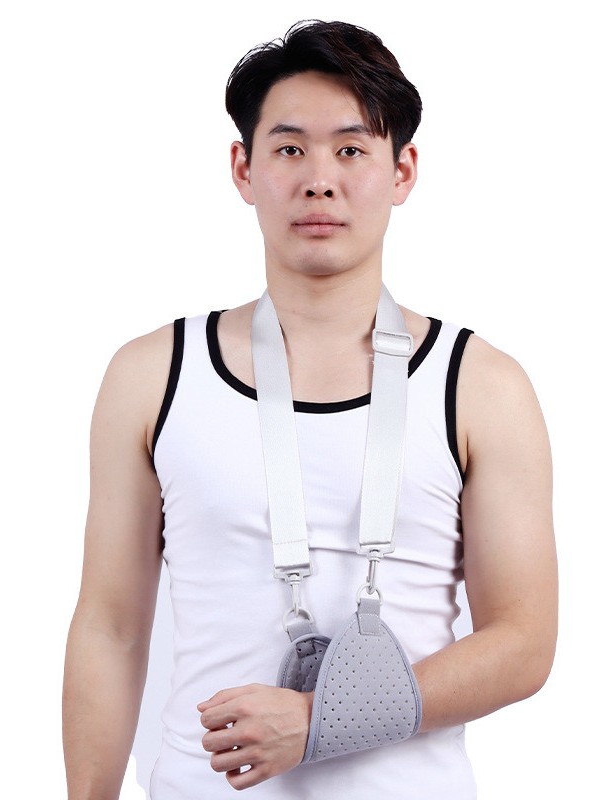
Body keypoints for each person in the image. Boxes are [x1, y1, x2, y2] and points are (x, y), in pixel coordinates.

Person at [63, 19, 557, 799]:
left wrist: (320, 717)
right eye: (290, 149)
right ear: (244, 168)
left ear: (402, 171)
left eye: (351, 150)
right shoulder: (151, 375)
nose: (320, 180)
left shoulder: (482, 385)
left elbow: (524, 642)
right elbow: (112, 629)